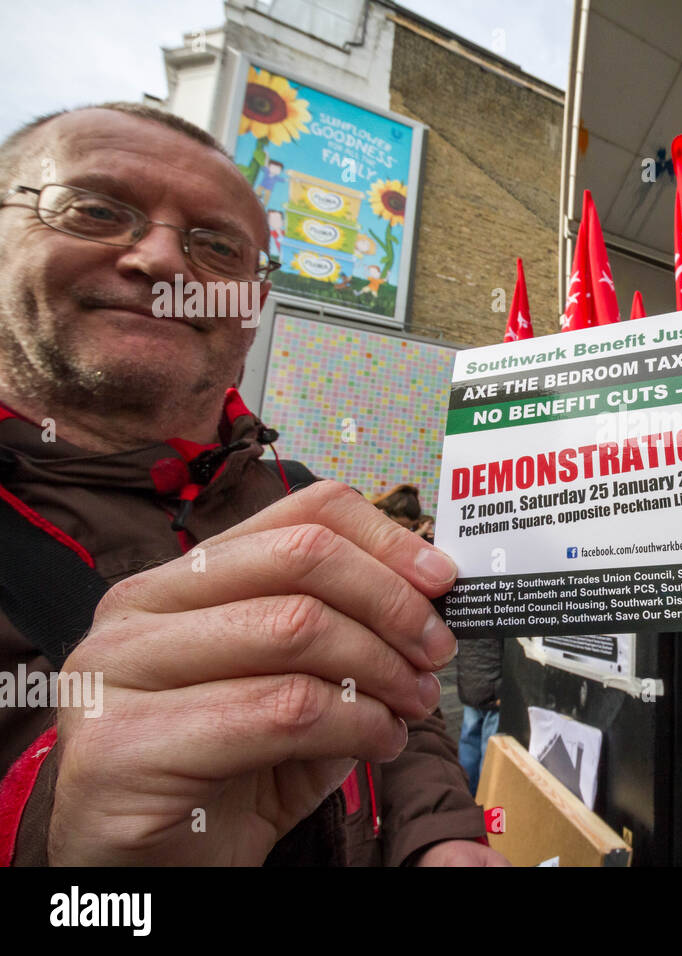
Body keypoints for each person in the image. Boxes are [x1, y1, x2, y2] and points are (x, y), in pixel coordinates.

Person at [0, 103, 505, 865]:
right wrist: (67, 846)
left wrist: (438, 834)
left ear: (253, 305)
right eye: (97, 211)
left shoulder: (296, 495)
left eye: (218, 246)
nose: (164, 263)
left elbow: (397, 700)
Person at [456, 637, 503, 795]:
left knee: (468, 743)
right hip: (493, 691)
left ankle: (465, 792)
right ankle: (484, 798)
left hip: (469, 686)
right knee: (489, 750)